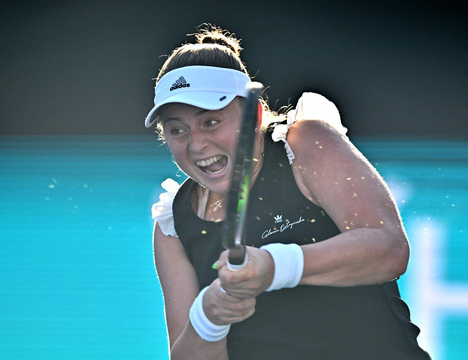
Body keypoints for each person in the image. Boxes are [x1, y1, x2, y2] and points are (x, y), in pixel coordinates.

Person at [146, 25, 430, 360]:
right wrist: (208, 316)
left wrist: (274, 266)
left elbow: (389, 248)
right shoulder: (172, 227)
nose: (195, 145)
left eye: (210, 122)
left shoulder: (305, 143)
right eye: (177, 130)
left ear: (255, 114)